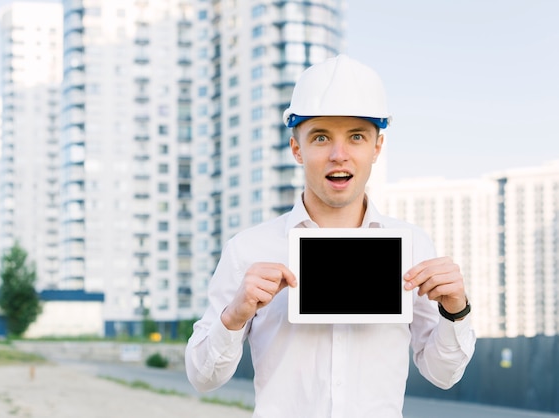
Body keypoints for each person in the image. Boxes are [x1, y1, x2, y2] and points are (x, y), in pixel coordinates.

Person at [185, 54, 476, 417]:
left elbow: (443, 374)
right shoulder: (249, 249)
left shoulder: (413, 246)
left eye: (356, 137)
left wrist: (456, 309)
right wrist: (233, 315)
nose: (339, 155)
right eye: (321, 138)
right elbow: (202, 377)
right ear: (297, 149)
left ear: (376, 149)